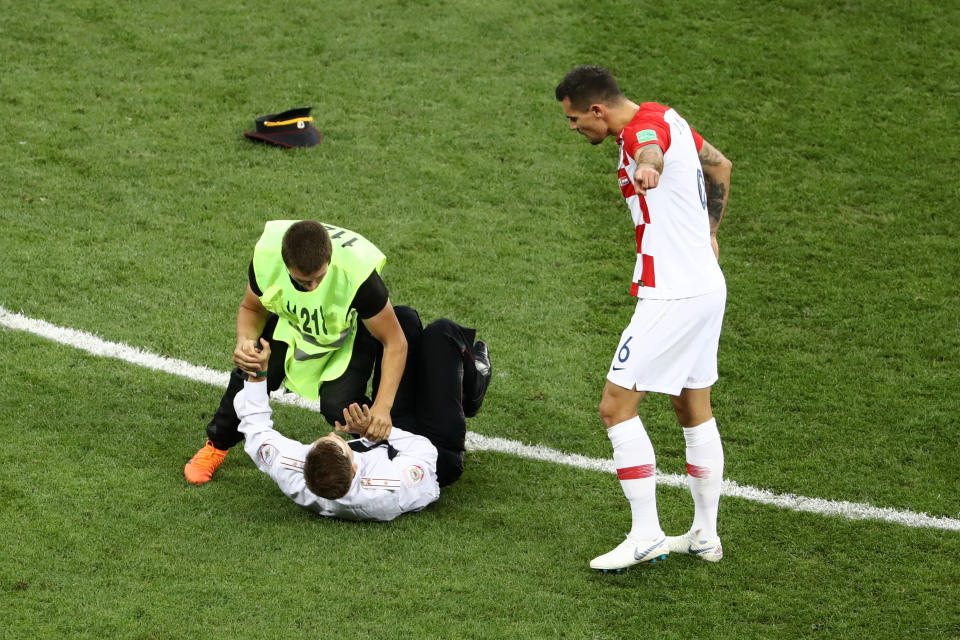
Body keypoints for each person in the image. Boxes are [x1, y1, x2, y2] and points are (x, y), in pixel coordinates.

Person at [555, 66, 733, 571]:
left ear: (597, 110)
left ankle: (646, 534)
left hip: (672, 295)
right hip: (702, 287)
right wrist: (709, 230)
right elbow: (720, 166)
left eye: (573, 119)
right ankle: (704, 535)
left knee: (615, 407)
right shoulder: (665, 115)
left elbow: (649, 147)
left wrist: (649, 166)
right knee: (692, 406)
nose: (573, 129)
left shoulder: (641, 132)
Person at [184, 220, 407, 485]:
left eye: (319, 278)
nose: (312, 287)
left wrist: (383, 407)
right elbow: (252, 309)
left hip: (348, 331)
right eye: (303, 281)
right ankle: (216, 445)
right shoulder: (267, 259)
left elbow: (395, 342)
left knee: (340, 408)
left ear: (330, 258)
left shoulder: (358, 277)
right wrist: (245, 341)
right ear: (285, 263)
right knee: (252, 367)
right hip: (294, 323)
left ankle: (383, 448)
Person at [235, 307, 491, 520]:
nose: (331, 434)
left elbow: (256, 430)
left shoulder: (293, 470)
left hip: (384, 435)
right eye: (341, 444)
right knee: (441, 333)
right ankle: (473, 388)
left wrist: (257, 373)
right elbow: (424, 451)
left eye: (324, 441)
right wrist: (373, 428)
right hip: (434, 453)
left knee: (402, 320)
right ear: (355, 466)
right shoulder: (390, 489)